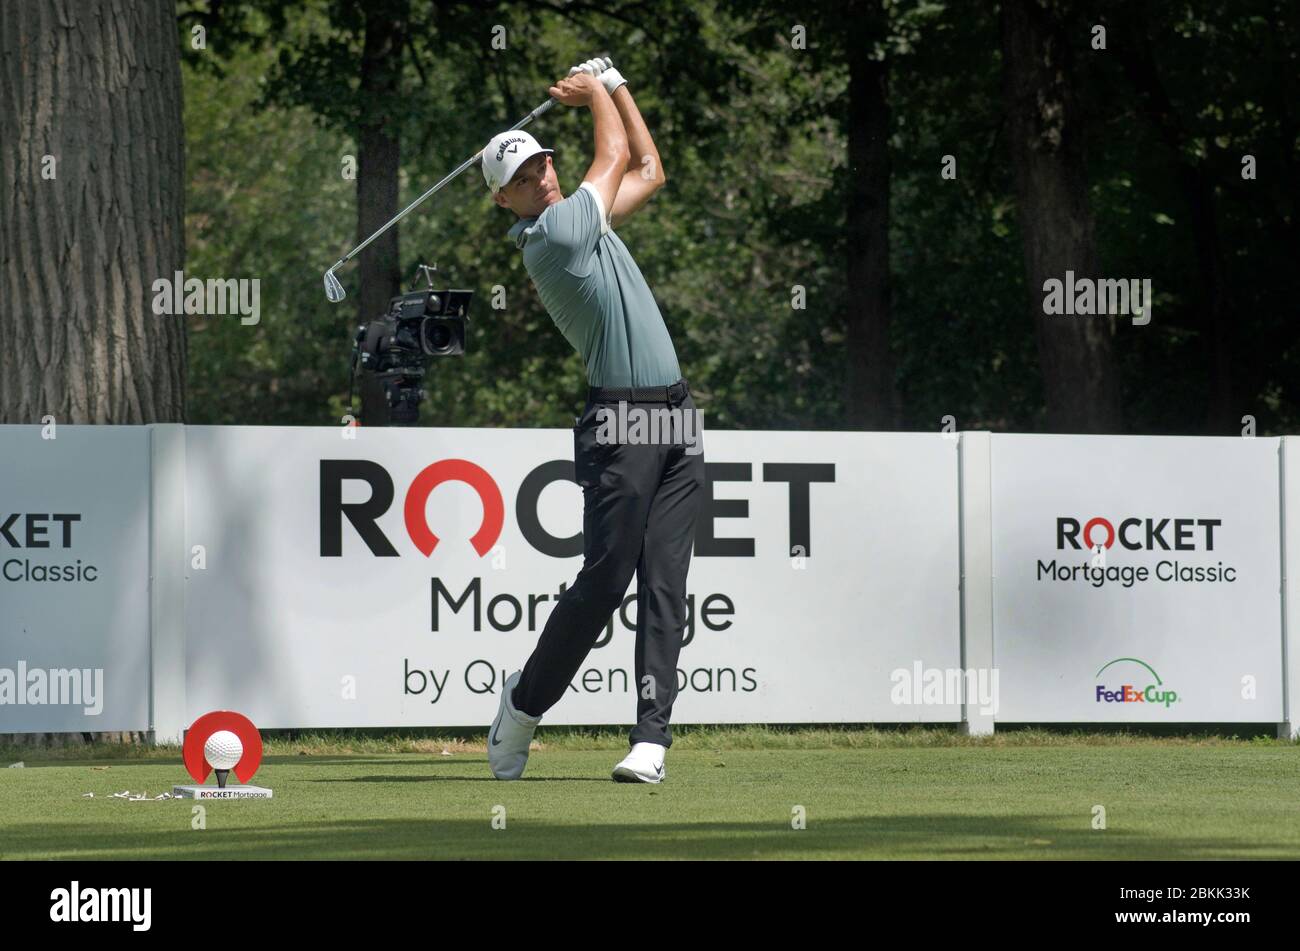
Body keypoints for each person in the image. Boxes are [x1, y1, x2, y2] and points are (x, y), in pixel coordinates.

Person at [480, 57, 705, 783]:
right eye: (523, 178)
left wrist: (620, 87)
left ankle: (651, 740)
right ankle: (520, 706)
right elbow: (610, 155)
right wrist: (597, 92)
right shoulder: (555, 238)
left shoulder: (587, 214)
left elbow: (648, 167)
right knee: (607, 582)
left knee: (666, 583)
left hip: (675, 415)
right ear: (505, 202)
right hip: (621, 420)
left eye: (542, 164)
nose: (541, 176)